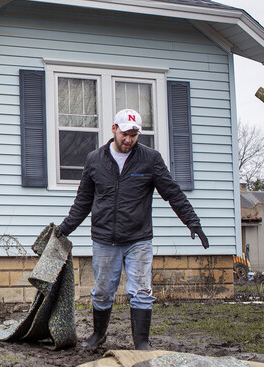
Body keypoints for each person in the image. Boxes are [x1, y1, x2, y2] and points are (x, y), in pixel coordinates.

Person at [56, 108, 209, 351]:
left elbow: (172, 192)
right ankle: (98, 335)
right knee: (103, 290)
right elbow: (83, 201)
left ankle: (141, 342)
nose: (128, 140)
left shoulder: (150, 159)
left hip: (138, 239)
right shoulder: (94, 160)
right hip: (105, 239)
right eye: (125, 134)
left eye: (134, 135)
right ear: (114, 129)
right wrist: (64, 229)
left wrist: (192, 222)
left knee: (141, 290)